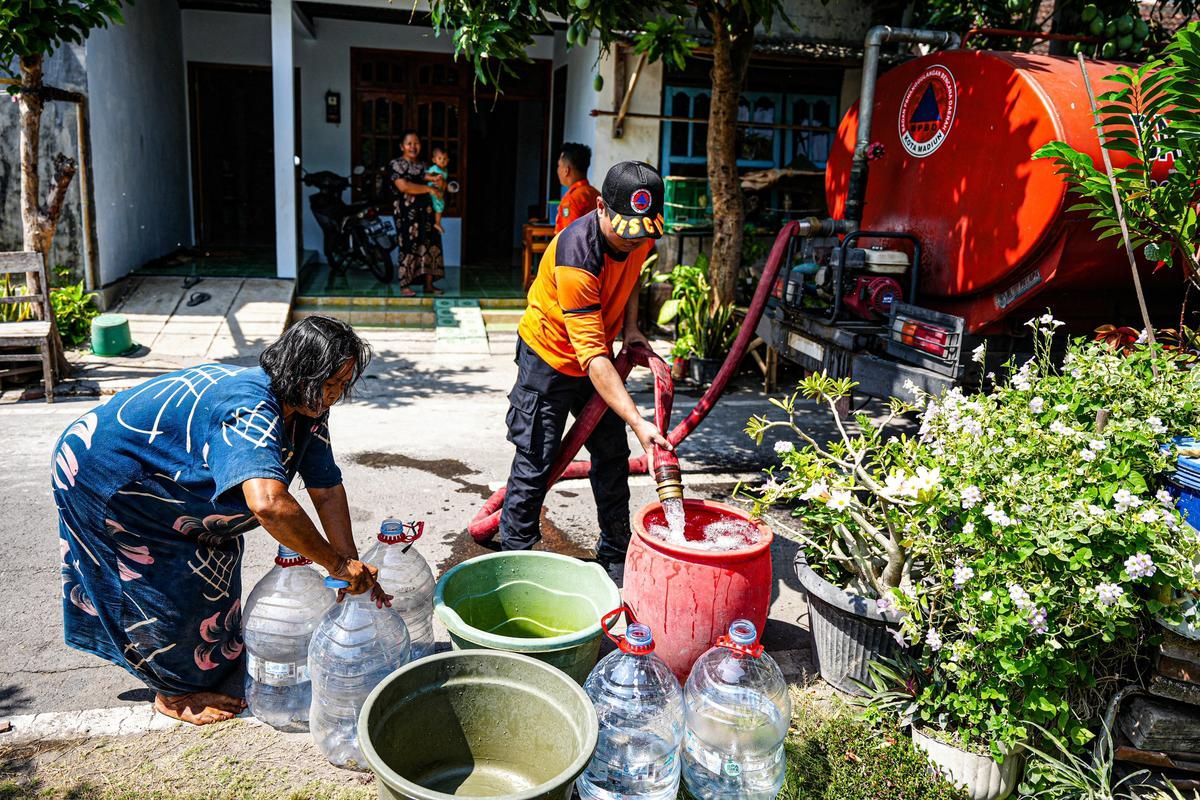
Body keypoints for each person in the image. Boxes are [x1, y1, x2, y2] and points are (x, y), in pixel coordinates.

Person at [53, 316, 387, 726]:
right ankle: (172, 693)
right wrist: (335, 566)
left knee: (209, 578)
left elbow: (326, 487)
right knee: (157, 588)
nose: (333, 396)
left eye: (342, 386)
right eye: (329, 383)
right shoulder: (249, 406)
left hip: (173, 489)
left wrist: (349, 564)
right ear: (300, 369)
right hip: (109, 479)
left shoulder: (307, 405)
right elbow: (268, 504)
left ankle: (200, 669)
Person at [501, 160, 672, 567]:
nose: (633, 242)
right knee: (537, 458)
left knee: (611, 451)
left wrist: (631, 328)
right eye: (625, 231)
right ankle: (513, 562)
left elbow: (633, 274)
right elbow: (594, 357)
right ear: (600, 207)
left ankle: (615, 550)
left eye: (641, 234)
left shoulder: (640, 232)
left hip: (595, 355)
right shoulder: (577, 255)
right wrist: (638, 419)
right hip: (550, 356)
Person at [389, 131, 446, 296]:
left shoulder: (423, 166)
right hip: (407, 214)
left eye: (416, 143)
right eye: (409, 143)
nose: (413, 147)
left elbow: (437, 183)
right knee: (408, 246)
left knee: (430, 245)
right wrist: (429, 188)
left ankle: (429, 284)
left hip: (427, 213)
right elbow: (404, 187)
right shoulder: (396, 164)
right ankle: (405, 285)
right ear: (402, 146)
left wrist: (439, 182)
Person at [554, 143, 601, 234]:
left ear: (566, 170)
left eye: (559, 166)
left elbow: (569, 236)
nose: (558, 170)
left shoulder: (571, 200)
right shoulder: (596, 194)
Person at [425, 147, 451, 235]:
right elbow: (425, 176)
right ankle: (437, 223)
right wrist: (433, 178)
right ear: (434, 160)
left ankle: (437, 222)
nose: (442, 161)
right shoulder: (434, 168)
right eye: (440, 158)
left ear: (448, 160)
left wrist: (447, 186)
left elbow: (444, 181)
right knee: (438, 205)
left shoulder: (445, 170)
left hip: (439, 190)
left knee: (441, 204)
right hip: (432, 189)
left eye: (445, 159)